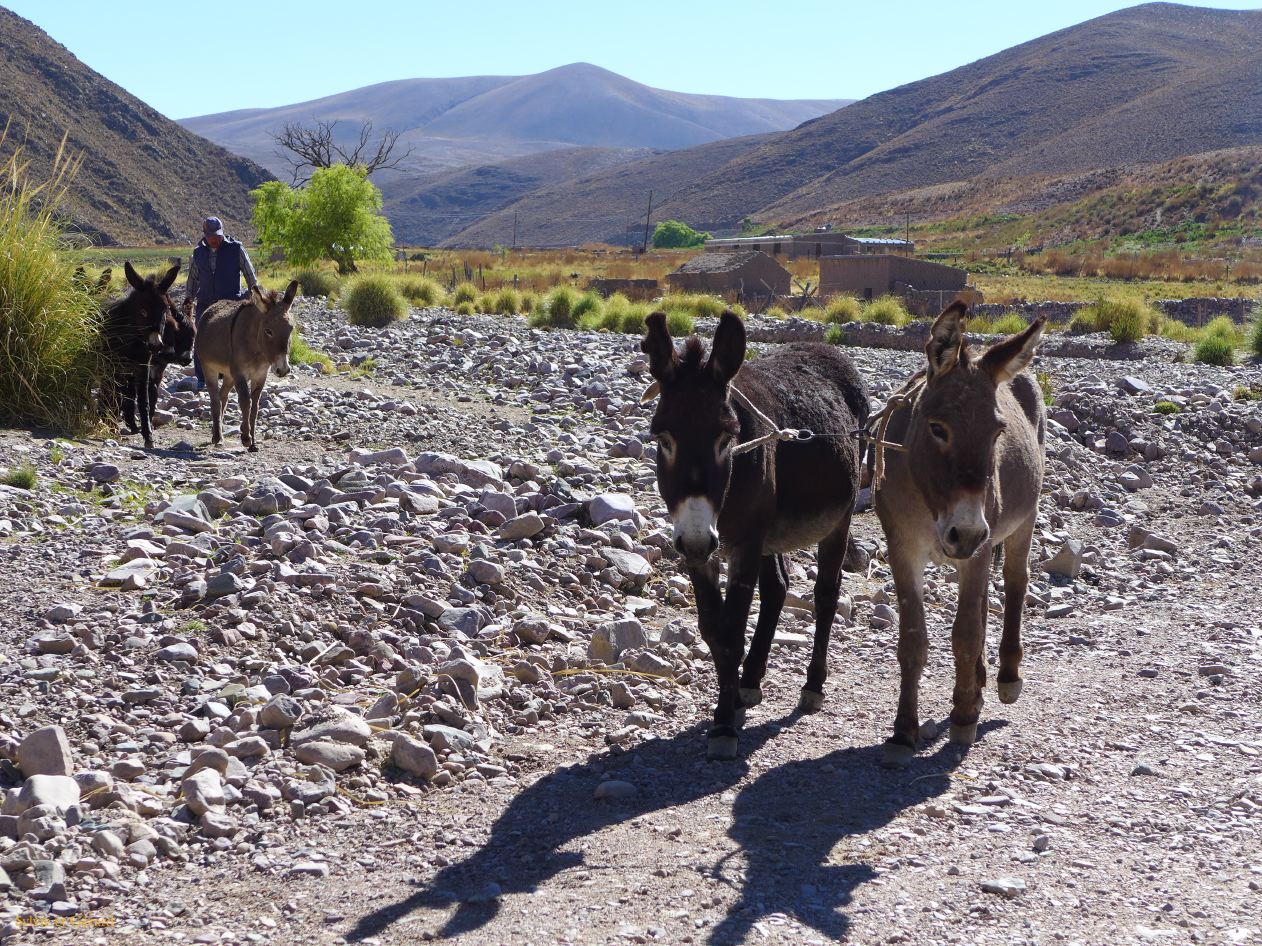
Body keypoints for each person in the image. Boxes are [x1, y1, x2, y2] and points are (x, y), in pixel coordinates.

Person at [186, 216, 258, 389]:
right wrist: (188, 300)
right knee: (202, 340)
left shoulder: (236, 248)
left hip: (230, 304)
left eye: (218, 235)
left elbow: (250, 274)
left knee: (232, 340)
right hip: (206, 303)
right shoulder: (198, 253)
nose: (215, 239)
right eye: (211, 236)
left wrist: (256, 295)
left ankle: (232, 375)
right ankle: (202, 379)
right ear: (205, 235)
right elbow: (193, 280)